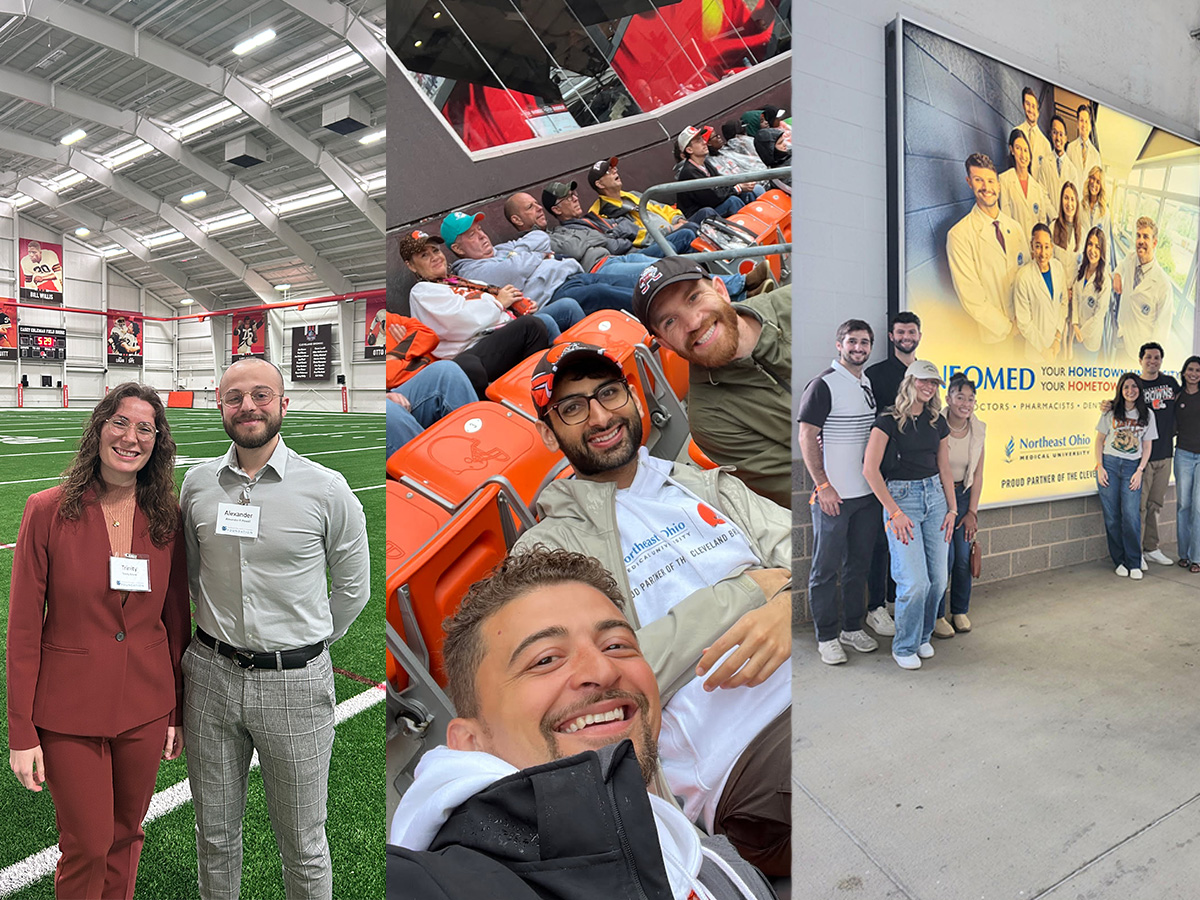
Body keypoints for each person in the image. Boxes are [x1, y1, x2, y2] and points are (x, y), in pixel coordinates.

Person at [515, 343, 792, 875]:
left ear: (635, 399)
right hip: (741, 750)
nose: (600, 416)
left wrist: (786, 608)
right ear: (550, 434)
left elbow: (809, 557)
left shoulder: (704, 484)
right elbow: (597, 682)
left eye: (609, 393)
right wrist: (748, 593)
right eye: (572, 408)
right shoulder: (546, 552)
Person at [388, 548, 777, 900]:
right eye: (545, 659)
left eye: (616, 645)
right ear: (470, 741)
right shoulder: (453, 881)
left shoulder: (708, 854)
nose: (602, 670)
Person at [180, 357, 370, 900]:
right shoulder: (197, 485)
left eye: (261, 395)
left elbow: (353, 588)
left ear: (282, 404)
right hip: (210, 677)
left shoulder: (326, 489)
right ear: (220, 406)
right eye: (235, 397)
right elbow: (191, 574)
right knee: (214, 835)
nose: (248, 407)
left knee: (304, 844)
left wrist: (306, 645)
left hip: (294, 683)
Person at [7, 383, 189, 899]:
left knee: (126, 834)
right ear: (99, 429)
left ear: (157, 441)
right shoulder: (46, 510)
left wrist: (176, 711)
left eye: (145, 428)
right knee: (87, 843)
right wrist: (21, 731)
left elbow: (176, 617)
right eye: (120, 423)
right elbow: (24, 628)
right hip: (68, 707)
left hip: (146, 704)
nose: (131, 438)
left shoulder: (166, 516)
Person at [632, 256, 792, 506]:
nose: (693, 322)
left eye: (693, 297)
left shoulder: (795, 302)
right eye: (670, 321)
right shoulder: (711, 420)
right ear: (664, 343)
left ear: (721, 290)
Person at [798, 320, 892, 664]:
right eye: (852, 341)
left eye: (865, 342)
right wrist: (823, 485)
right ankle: (826, 636)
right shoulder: (823, 384)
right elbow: (806, 435)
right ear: (839, 345)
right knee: (825, 571)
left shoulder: (866, 384)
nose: (858, 348)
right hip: (833, 498)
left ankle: (852, 628)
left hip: (866, 496)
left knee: (858, 566)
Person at [862, 361, 956, 670]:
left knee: (937, 580)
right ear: (909, 382)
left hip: (936, 499)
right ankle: (904, 645)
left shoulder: (937, 421)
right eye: (923, 381)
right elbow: (870, 470)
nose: (929, 387)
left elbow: (944, 468)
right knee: (914, 582)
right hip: (903, 500)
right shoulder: (887, 421)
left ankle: (922, 637)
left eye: (934, 383)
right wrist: (894, 512)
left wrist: (953, 509)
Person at [401, 230, 552, 381]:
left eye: (435, 250)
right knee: (531, 327)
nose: (435, 257)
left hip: (499, 335)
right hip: (471, 350)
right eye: (424, 255)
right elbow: (460, 322)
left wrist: (518, 306)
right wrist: (499, 303)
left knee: (548, 319)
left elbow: (499, 302)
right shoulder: (421, 291)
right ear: (411, 266)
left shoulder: (460, 281)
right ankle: (539, 384)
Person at [444, 211, 628, 316]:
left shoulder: (501, 249)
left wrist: (517, 254)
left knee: (624, 281)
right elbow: (515, 270)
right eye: (472, 235)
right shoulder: (470, 271)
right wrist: (540, 256)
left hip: (575, 275)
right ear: (458, 249)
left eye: (480, 229)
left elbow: (540, 237)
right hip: (554, 294)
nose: (482, 236)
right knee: (603, 293)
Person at [863, 312, 924, 630]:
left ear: (919, 335)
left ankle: (893, 599)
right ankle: (875, 606)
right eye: (900, 332)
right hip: (883, 472)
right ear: (891, 336)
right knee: (879, 541)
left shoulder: (924, 374)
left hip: (914, 474)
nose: (906, 337)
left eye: (911, 332)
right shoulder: (875, 375)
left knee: (905, 541)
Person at [946, 153, 1027, 344]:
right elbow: (972, 297)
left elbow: (1027, 273)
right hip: (997, 336)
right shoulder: (959, 235)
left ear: (998, 185)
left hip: (1026, 328)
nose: (986, 187)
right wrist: (1008, 328)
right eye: (978, 180)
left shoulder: (1015, 228)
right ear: (969, 182)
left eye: (990, 181)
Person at [933, 373, 986, 638]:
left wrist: (972, 512)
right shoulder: (934, 424)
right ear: (948, 398)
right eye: (960, 397)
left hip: (963, 497)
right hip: (938, 497)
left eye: (970, 399)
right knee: (944, 558)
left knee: (963, 557)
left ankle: (960, 611)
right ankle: (937, 616)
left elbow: (977, 474)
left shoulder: (978, 429)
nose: (966, 404)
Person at [1095, 372, 1156, 580]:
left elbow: (1147, 446)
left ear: (1140, 389)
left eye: (1134, 386)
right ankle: (1119, 561)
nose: (1130, 390)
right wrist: (1100, 467)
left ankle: (1134, 561)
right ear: (1121, 390)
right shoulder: (1111, 411)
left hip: (1132, 467)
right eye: (1126, 387)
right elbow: (1099, 441)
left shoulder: (1147, 414)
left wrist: (1140, 470)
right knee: (1112, 517)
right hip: (1109, 465)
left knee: (1131, 516)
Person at [587, 157, 701, 253]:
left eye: (614, 168)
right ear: (600, 184)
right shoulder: (603, 212)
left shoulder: (632, 194)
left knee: (705, 213)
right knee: (690, 231)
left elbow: (662, 208)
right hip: (653, 242)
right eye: (608, 172)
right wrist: (671, 229)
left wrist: (678, 219)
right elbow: (635, 236)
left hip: (672, 227)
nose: (615, 171)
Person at [1132, 342, 1178, 567]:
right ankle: (1136, 552)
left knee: (1156, 504)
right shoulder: (1135, 385)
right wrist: (1107, 405)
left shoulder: (1170, 383)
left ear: (1161, 360)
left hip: (1165, 454)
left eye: (1157, 357)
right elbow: (1121, 405)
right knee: (1139, 506)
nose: (1153, 361)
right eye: (1148, 357)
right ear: (1140, 360)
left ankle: (1151, 548)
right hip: (1142, 457)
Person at [1113, 217, 1171, 359]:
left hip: (1139, 353)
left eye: (1146, 237)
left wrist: (1150, 360)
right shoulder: (1131, 258)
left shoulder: (1163, 285)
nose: (1140, 241)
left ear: (1154, 243)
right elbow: (1121, 265)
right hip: (1122, 337)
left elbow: (1161, 330)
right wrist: (1117, 275)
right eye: (1138, 236)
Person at [1012, 223, 1068, 361]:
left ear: (1052, 247)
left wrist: (1057, 338)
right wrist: (1043, 350)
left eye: (1046, 247)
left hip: (1055, 347)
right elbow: (1024, 322)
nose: (1043, 253)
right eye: (1038, 246)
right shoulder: (1023, 277)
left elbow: (1063, 303)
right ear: (1031, 246)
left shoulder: (1058, 268)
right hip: (1035, 353)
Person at [674, 125, 751, 219]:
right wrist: (737, 188)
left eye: (702, 139)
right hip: (700, 216)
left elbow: (721, 183)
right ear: (689, 150)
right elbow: (712, 199)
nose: (704, 142)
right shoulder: (689, 172)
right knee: (733, 201)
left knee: (749, 191)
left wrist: (740, 186)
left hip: (713, 206)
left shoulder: (705, 163)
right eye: (698, 141)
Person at [998, 129, 1051, 240]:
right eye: (1018, 148)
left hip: (1034, 246)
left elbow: (1042, 222)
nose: (1023, 155)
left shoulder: (1037, 188)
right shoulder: (1004, 180)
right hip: (1015, 243)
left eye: (1026, 150)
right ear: (1012, 150)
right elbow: (1006, 219)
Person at [1071, 226, 1110, 359]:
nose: (1092, 250)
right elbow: (1075, 298)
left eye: (1097, 247)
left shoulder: (1105, 281)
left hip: (1090, 339)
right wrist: (1075, 323)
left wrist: (1081, 333)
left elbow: (1098, 316)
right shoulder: (1081, 269)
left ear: (1102, 251)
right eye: (1090, 244)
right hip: (1077, 332)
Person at [1037, 116, 1081, 220]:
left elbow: (1073, 199)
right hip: (1049, 219)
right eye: (1054, 132)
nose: (1058, 138)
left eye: (1061, 134)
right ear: (1051, 135)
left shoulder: (1072, 170)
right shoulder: (1045, 163)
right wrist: (1054, 217)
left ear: (1065, 138)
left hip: (1065, 221)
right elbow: (1042, 194)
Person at [1015, 87, 1053, 177]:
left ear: (1037, 111)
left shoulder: (1046, 144)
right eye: (1027, 104)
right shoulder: (1017, 132)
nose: (1031, 110)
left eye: (1033, 106)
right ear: (1023, 106)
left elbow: (1047, 175)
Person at [1067, 104, 1103, 178]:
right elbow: (1066, 174)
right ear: (1077, 124)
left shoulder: (1096, 155)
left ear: (1090, 126)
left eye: (1086, 121)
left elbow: (1097, 179)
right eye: (1081, 121)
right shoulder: (1070, 148)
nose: (1084, 125)